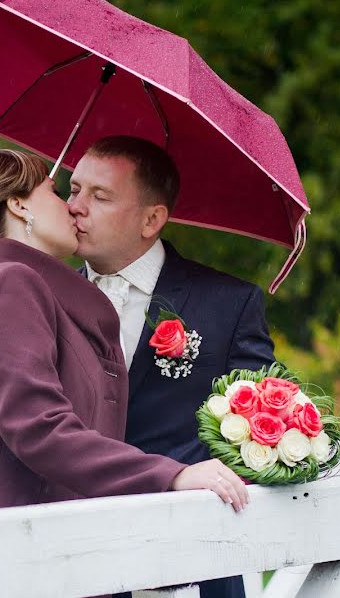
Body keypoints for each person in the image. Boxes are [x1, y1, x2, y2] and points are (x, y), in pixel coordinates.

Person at [0, 149, 248, 524]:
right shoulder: (8, 284)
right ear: (18, 206)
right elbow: (38, 427)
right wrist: (171, 475)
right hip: (17, 547)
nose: (71, 207)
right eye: (57, 192)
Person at [69, 136, 278, 598]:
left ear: (152, 219)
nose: (76, 207)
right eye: (73, 189)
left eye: (99, 196)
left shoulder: (229, 303)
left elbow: (266, 432)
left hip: (194, 566)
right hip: (75, 559)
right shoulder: (43, 296)